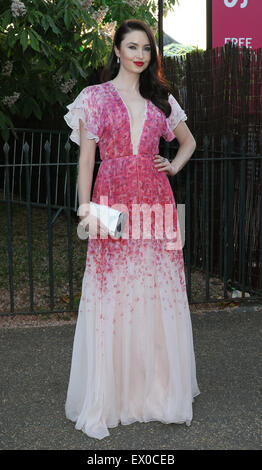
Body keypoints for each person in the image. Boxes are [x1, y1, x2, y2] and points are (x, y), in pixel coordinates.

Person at [64, 19, 200, 440]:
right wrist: (86, 208)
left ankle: (156, 392)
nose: (140, 54)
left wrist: (172, 165)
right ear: (118, 50)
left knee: (156, 290)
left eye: (146, 48)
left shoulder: (162, 100)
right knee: (113, 291)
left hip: (155, 202)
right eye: (132, 47)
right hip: (113, 203)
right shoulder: (95, 98)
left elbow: (189, 141)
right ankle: (115, 395)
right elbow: (86, 161)